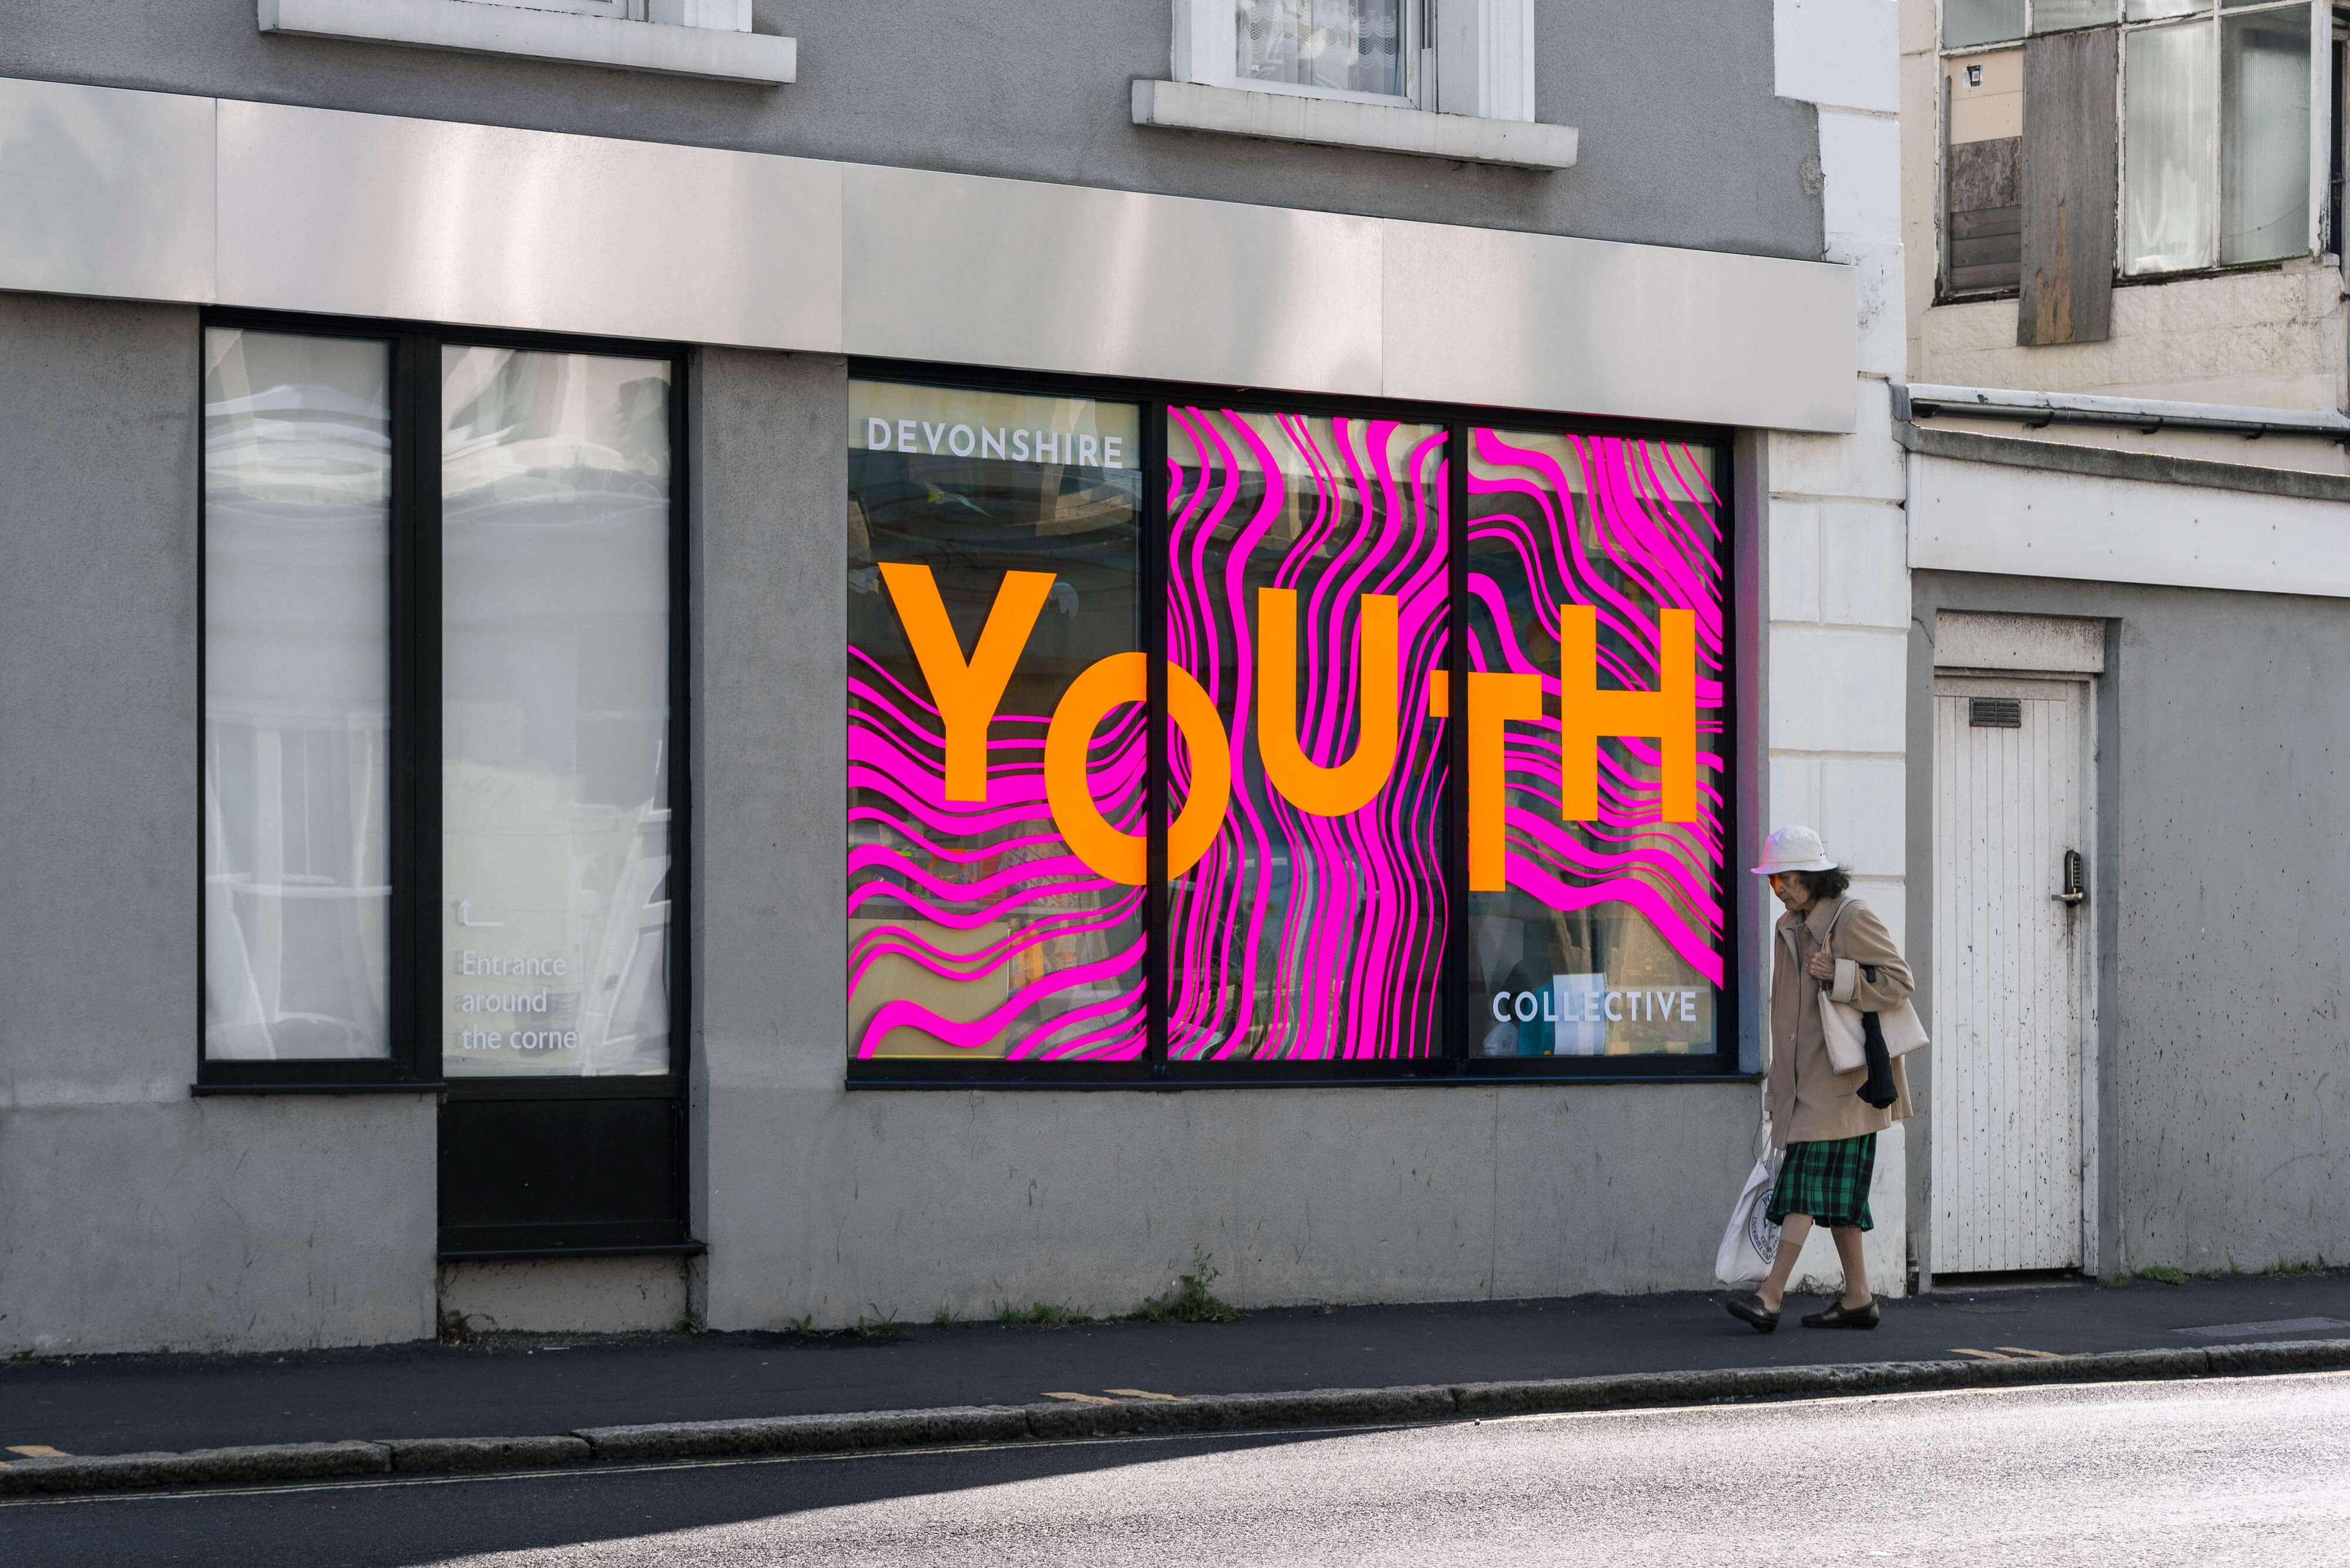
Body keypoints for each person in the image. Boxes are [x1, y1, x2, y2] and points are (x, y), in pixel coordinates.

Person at [1725, 826, 1915, 1332]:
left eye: (1786, 878)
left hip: (1845, 1087)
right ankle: (1858, 1298)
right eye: (1773, 881)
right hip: (1807, 1086)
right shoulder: (1791, 926)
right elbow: (1786, 1022)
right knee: (1841, 1201)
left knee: (1803, 1189)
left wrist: (1841, 974)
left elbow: (1899, 981)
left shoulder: (1851, 918)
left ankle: (1769, 1296)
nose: (1779, 889)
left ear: (1814, 875)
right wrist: (1777, 1090)